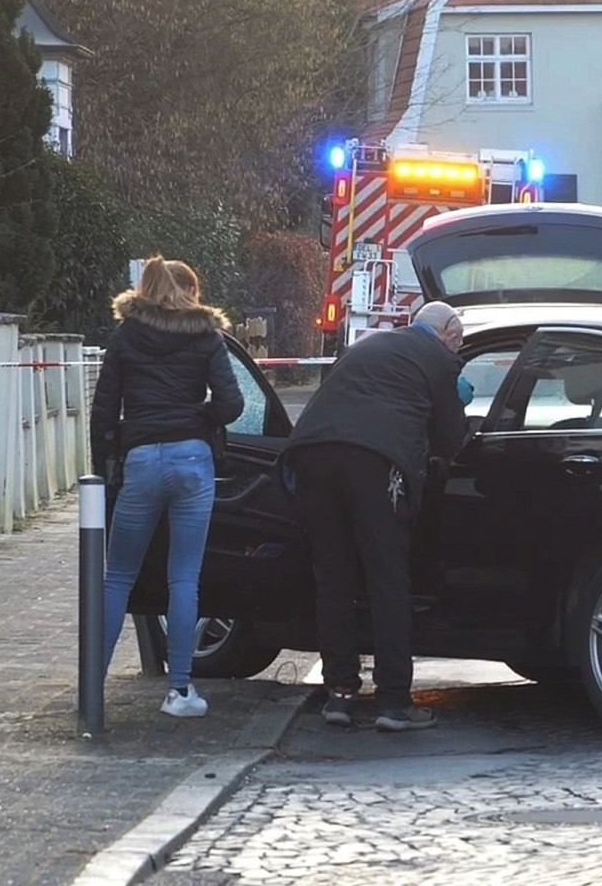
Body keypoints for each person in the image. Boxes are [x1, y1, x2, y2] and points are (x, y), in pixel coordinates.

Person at [282, 302, 470, 732]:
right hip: (375, 462)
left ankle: (340, 695)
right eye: (458, 342)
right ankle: (393, 702)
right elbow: (451, 440)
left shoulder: (369, 346)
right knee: (387, 578)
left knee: (332, 578)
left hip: (310, 455)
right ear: (451, 334)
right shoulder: (440, 358)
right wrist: (458, 404)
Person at [90, 256, 243, 718]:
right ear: (189, 292)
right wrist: (199, 416)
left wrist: (104, 471)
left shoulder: (125, 336)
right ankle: (180, 692)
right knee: (184, 578)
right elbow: (232, 404)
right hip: (193, 460)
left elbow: (102, 412)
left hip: (141, 458)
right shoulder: (207, 337)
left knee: (117, 577)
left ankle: (91, 686)